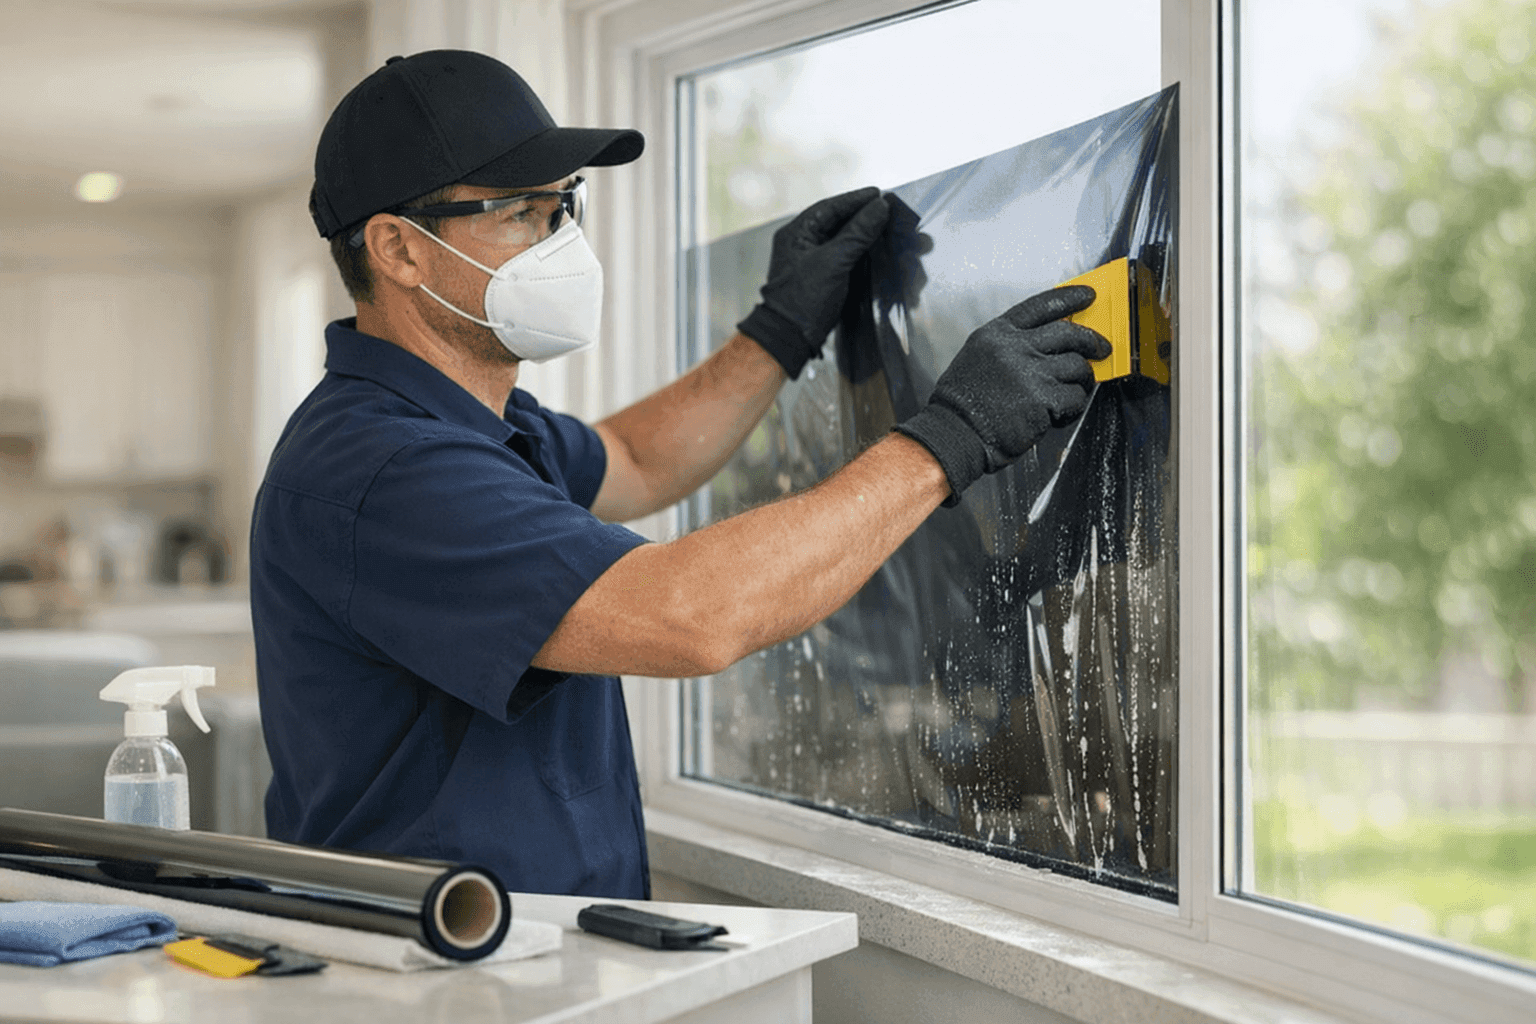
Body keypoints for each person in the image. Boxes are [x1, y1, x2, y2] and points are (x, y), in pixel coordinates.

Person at [251, 49, 1109, 899]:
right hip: (436, 975)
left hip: (529, 954)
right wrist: (949, 439)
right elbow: (690, 616)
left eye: (564, 208)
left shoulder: (476, 425)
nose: (560, 243)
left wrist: (778, 332)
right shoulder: (383, 470)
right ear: (398, 250)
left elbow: (637, 459)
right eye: (521, 212)